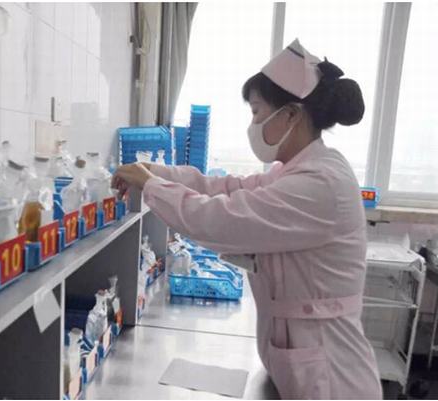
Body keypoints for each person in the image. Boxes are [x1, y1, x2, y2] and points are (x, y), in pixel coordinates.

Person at [112, 39, 382, 399]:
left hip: (332, 377)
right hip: (306, 364)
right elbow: (229, 188)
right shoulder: (298, 171)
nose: (253, 124)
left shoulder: (320, 183)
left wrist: (151, 186)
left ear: (291, 115)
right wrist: (157, 172)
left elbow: (222, 219)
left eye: (257, 112)